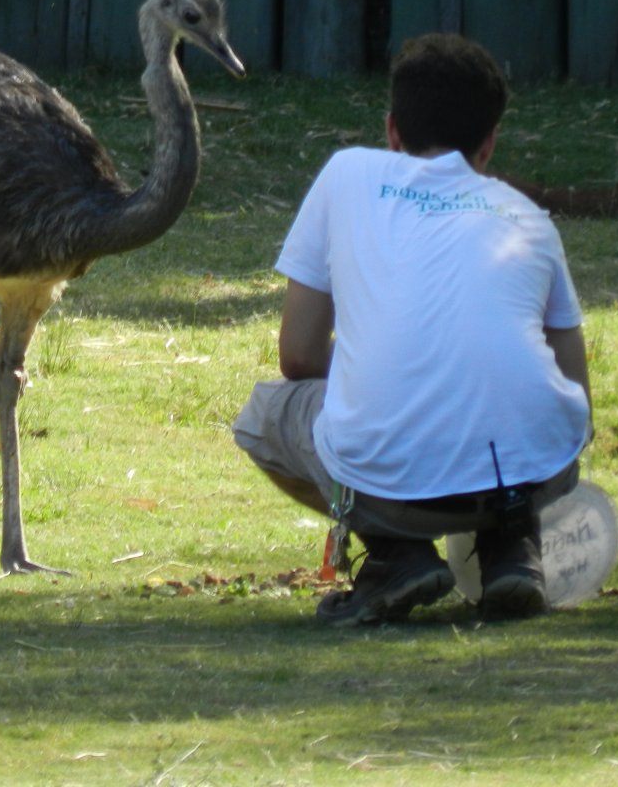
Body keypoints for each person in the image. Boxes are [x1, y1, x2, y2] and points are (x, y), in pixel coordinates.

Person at [232, 33, 592, 627]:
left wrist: (374, 381)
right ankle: (512, 550)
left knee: (266, 416)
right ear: (489, 144)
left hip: (387, 484)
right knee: (538, 417)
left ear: (392, 130)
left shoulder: (346, 173)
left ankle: (396, 553)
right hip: (532, 478)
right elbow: (576, 393)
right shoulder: (528, 218)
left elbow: (297, 357)